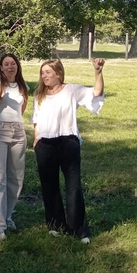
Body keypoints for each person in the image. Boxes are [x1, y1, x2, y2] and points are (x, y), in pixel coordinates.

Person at [32, 58, 105, 244]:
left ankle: (78, 230)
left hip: (67, 142)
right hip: (45, 144)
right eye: (42, 73)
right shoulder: (39, 94)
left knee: (73, 187)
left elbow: (96, 93)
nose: (44, 76)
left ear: (58, 74)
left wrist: (98, 72)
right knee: (49, 186)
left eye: (48, 72)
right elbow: (36, 119)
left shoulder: (72, 90)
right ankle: (56, 225)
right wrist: (36, 139)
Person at [0, 54, 29, 241]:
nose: (10, 67)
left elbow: (20, 111)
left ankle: (7, 216)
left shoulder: (23, 86)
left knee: (16, 179)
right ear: (1, 67)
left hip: (18, 133)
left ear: (17, 66)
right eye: (6, 64)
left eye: (13, 63)